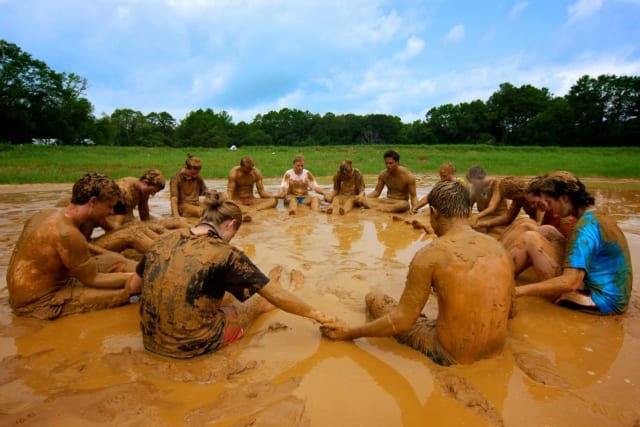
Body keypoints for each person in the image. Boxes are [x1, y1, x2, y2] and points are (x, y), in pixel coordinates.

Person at [321, 181, 515, 366]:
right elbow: (512, 310)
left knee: (375, 299)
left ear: (434, 213)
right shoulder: (499, 248)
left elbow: (403, 321)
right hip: (495, 352)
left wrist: (350, 332)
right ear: (468, 211)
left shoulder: (431, 255)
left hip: (450, 355)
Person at [136, 192, 335, 359]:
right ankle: (287, 288)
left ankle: (264, 286)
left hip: (150, 341)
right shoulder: (226, 253)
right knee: (253, 302)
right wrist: (319, 316)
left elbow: (134, 285)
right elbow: (277, 296)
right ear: (230, 225)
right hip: (196, 346)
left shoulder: (164, 240)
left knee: (217, 292)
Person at [6, 172, 141, 320]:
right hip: (39, 302)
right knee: (129, 291)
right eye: (109, 206)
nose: (111, 212)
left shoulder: (47, 214)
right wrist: (133, 278)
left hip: (27, 291)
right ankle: (146, 277)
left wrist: (105, 253)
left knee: (115, 260)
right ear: (93, 202)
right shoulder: (68, 234)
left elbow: (73, 247)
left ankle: (146, 272)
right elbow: (92, 279)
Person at [513, 171, 632, 315]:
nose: (548, 207)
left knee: (530, 239)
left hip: (602, 301)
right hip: (616, 294)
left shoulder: (584, 229)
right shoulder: (594, 215)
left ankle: (504, 282)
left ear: (564, 199)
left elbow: (570, 282)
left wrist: (519, 291)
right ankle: (507, 275)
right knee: (547, 230)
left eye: (550, 202)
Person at [226, 156, 278, 221]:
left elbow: (262, 193)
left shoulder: (256, 173)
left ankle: (251, 210)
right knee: (227, 204)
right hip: (238, 201)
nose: (249, 172)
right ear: (241, 167)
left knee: (274, 200)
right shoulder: (234, 173)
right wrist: (229, 202)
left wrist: (278, 195)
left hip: (252, 200)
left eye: (250, 170)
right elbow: (230, 192)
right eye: (246, 171)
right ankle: (248, 210)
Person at [170, 153, 209, 219]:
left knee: (215, 210)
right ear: (186, 168)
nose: (195, 176)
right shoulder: (176, 179)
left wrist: (214, 196)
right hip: (183, 206)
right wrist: (176, 216)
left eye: (197, 173)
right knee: (203, 213)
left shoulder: (197, 177)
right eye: (193, 173)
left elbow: (205, 192)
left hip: (197, 204)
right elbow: (174, 199)